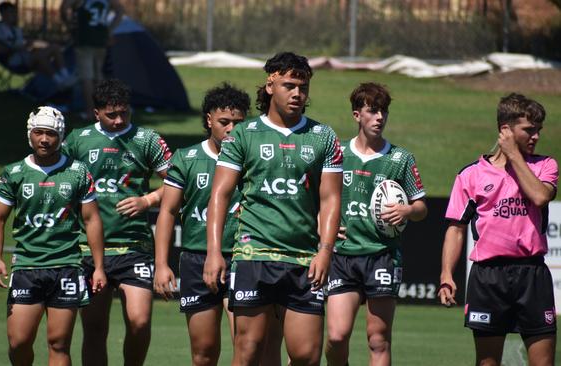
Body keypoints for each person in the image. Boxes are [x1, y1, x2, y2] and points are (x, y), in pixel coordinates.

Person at [203, 52, 343, 366]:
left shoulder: (324, 137)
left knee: (306, 355)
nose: (297, 94)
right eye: (289, 85)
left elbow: (331, 200)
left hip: (304, 259)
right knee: (249, 350)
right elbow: (220, 196)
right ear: (270, 85)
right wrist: (214, 252)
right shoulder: (243, 134)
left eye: (303, 87)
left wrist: (325, 251)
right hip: (254, 256)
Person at [153, 83, 282, 366]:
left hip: (245, 259)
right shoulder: (186, 159)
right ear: (209, 119)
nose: (231, 129)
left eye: (238, 122)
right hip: (196, 259)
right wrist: (161, 264)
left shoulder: (256, 157)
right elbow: (168, 211)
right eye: (224, 122)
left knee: (249, 347)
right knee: (204, 353)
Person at [438, 93, 557, 366]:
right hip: (488, 277)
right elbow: (456, 228)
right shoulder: (470, 175)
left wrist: (514, 155)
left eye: (538, 130)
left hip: (532, 274)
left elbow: (540, 196)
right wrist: (446, 274)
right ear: (505, 129)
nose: (536, 136)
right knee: (487, 363)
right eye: (529, 130)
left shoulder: (545, 166)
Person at [62, 78, 171, 366]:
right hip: (88, 249)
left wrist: (147, 200)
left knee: (139, 322)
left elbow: (177, 184)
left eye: (124, 113)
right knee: (94, 329)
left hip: (133, 246)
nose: (119, 120)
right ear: (96, 112)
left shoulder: (146, 139)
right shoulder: (76, 140)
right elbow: (59, 183)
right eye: (111, 114)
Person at [0, 106, 106, 366]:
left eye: (50, 133)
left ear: (60, 136)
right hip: (27, 266)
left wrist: (98, 266)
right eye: (38, 132)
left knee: (59, 343)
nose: (44, 139)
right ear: (30, 134)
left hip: (66, 266)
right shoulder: (13, 173)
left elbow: (92, 219)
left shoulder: (78, 172)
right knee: (18, 342)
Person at [325, 82, 427, 366]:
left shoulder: (400, 158)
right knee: (335, 336)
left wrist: (407, 210)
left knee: (378, 338)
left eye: (384, 111)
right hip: (341, 255)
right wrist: (323, 222)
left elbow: (421, 208)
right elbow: (314, 197)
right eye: (372, 111)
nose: (380, 117)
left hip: (382, 256)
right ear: (357, 115)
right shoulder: (337, 153)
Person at [60, 0, 125, 119]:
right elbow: (120, 11)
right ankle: (105, 110)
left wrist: (69, 24)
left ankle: (91, 112)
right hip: (101, 39)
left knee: (87, 77)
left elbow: (64, 7)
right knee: (98, 75)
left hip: (85, 38)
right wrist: (109, 30)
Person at [0, 2, 76, 88]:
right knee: (39, 57)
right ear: (3, 14)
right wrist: (24, 47)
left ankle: (66, 77)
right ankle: (60, 82)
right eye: (10, 12)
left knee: (54, 47)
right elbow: (5, 48)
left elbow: (20, 45)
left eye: (13, 12)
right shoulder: (0, 28)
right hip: (13, 60)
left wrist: (28, 46)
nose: (13, 15)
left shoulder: (16, 29)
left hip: (25, 56)